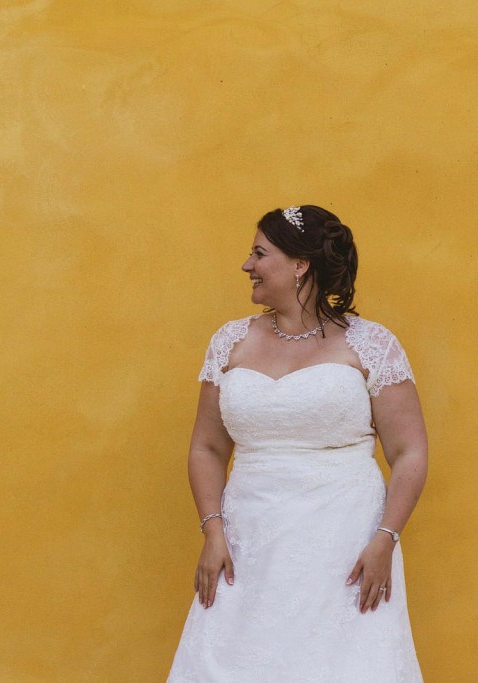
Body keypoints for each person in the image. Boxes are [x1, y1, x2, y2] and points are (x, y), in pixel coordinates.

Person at [167, 206, 427, 681]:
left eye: (260, 253)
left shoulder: (371, 344)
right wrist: (213, 531)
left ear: (300, 264)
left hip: (346, 545)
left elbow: (409, 451)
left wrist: (385, 540)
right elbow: (206, 448)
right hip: (248, 542)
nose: (248, 265)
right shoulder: (230, 342)